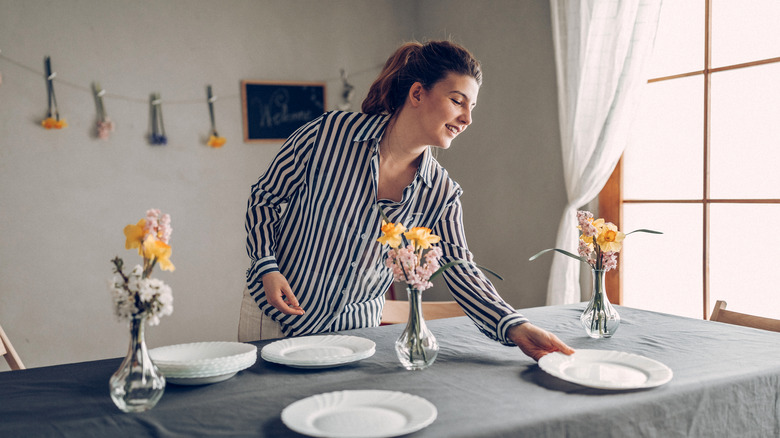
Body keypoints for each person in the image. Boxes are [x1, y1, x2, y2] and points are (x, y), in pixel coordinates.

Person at [241, 40, 574, 361]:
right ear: (417, 93)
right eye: (458, 101)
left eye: (472, 107)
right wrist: (267, 268)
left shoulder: (440, 192)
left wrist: (517, 327)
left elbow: (460, 269)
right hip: (273, 320)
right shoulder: (328, 135)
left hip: (355, 337)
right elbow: (264, 198)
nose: (467, 119)